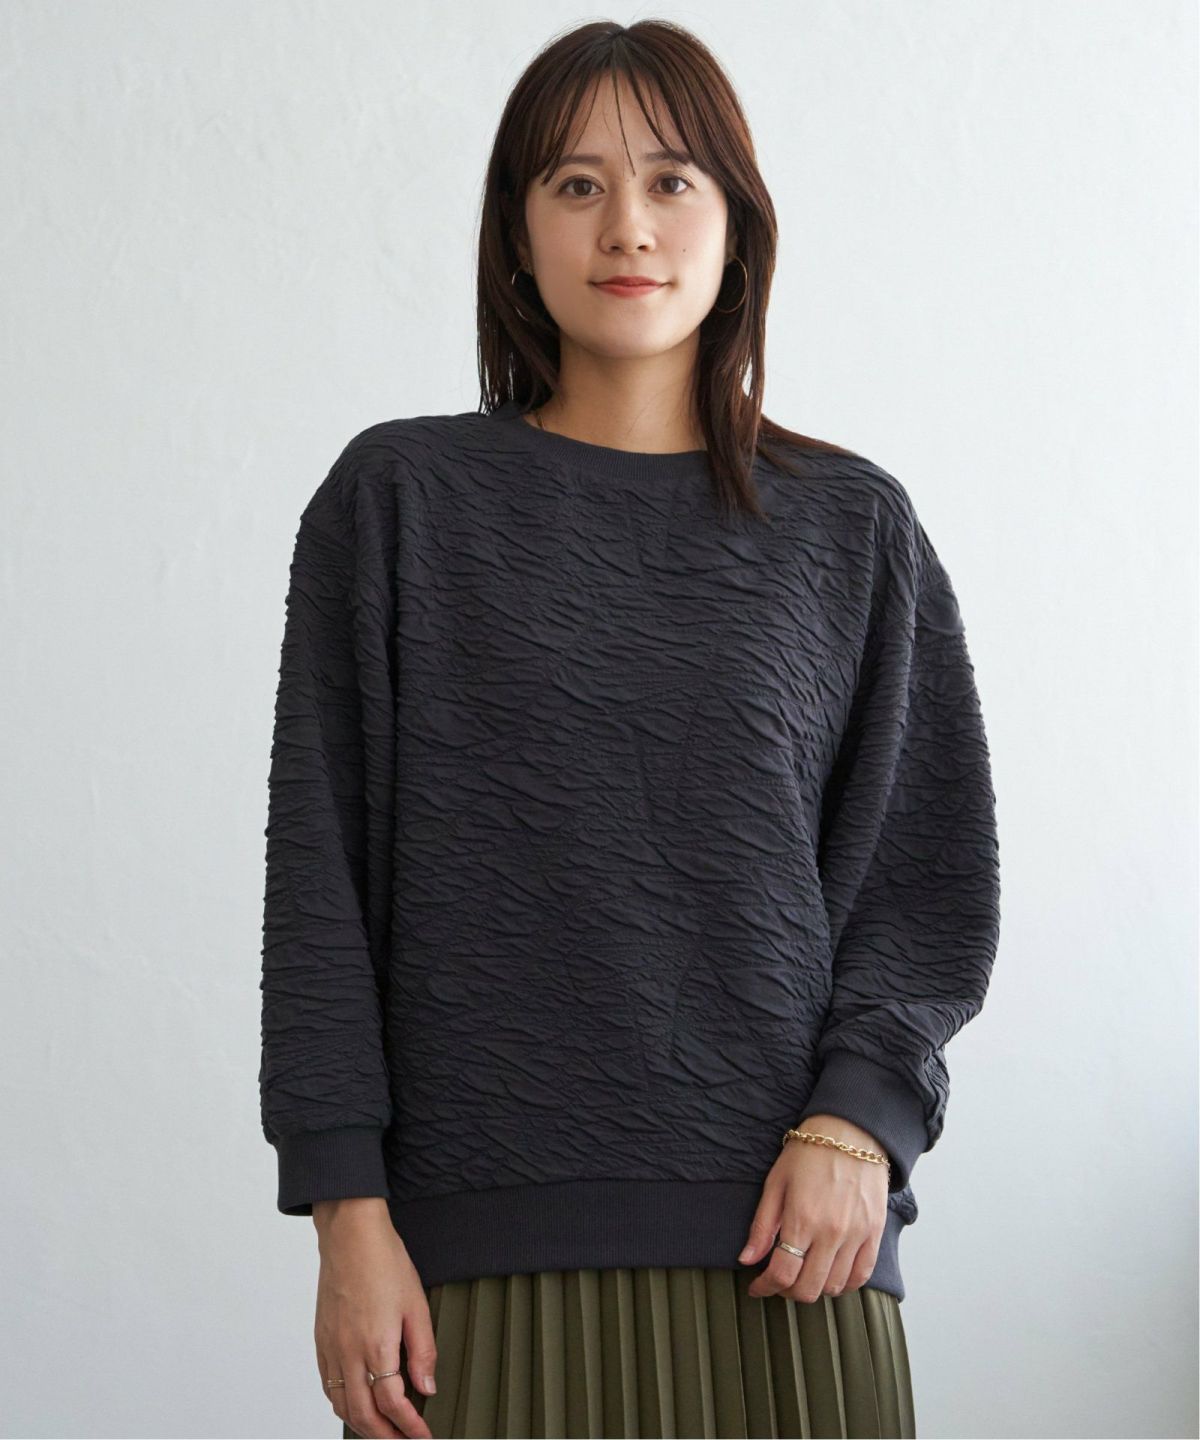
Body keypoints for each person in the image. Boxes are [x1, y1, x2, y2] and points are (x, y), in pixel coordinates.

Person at [258, 18, 1001, 1440]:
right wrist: (345, 1214)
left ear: (736, 225)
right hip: (463, 1269)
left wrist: (861, 1125)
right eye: (577, 184)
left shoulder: (850, 529)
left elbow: (927, 886)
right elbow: (320, 886)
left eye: (671, 181)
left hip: (790, 1259)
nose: (629, 227)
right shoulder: (399, 501)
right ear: (517, 231)